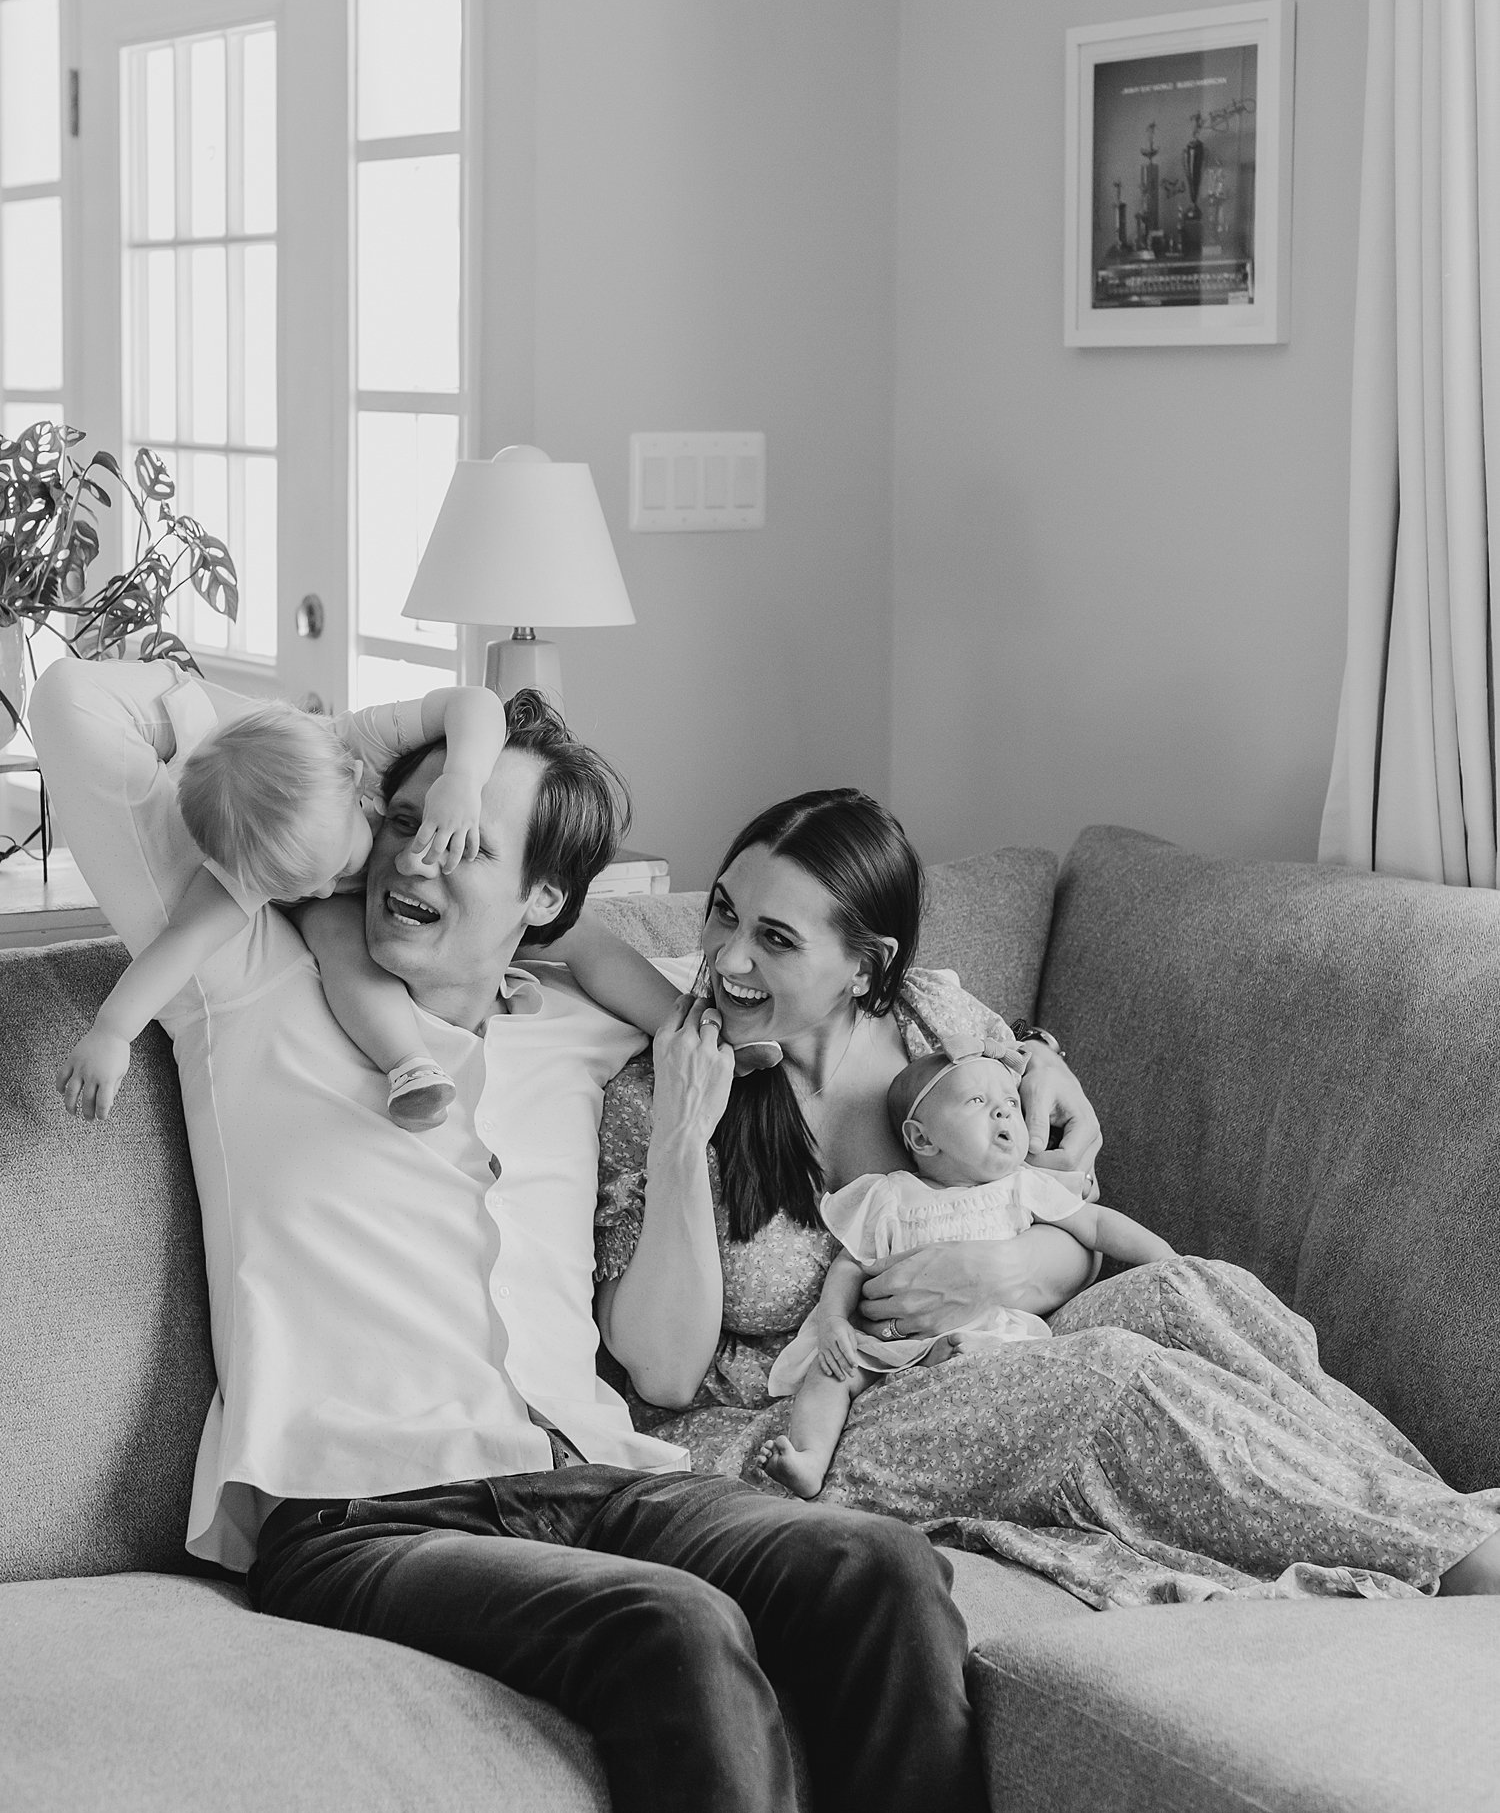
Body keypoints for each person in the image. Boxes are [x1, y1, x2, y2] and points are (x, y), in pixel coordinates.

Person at [32, 659, 1003, 1813]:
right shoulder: (244, 976)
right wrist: (381, 761)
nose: (417, 856)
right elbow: (76, 707)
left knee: (876, 1564)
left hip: (591, 1478)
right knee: (675, 1626)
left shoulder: (589, 1021)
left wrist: (1029, 1087)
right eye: (404, 821)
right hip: (363, 1513)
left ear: (547, 902)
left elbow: (800, 991)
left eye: (470, 844)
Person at [595, 786, 1500, 1606]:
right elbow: (664, 1377)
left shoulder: (939, 1029)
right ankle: (1449, 1563)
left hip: (980, 1345)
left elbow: (1069, 1218)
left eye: (776, 938)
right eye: (724, 913)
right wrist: (683, 1128)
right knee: (1104, 1379)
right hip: (797, 1425)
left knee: (1191, 1292)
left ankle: (1437, 1514)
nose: (726, 956)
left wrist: (1007, 1267)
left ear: (867, 969)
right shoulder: (665, 1084)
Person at [57, 684, 507, 1128]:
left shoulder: (361, 743)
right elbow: (182, 942)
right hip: (351, 936)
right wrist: (112, 1032)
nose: (331, 889)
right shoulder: (254, 857)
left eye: (336, 869)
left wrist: (462, 778)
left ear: (353, 781)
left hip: (423, 882)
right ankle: (410, 1064)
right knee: (334, 930)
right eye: (302, 888)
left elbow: (475, 702)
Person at [759, 1049, 1173, 1498]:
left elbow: (1095, 1224)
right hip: (892, 1346)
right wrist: (834, 1322)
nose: (1003, 1110)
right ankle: (808, 1458)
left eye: (1011, 1103)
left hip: (992, 1336)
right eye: (977, 1101)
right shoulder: (892, 1195)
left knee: (1013, 1356)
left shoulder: (1020, 1186)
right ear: (922, 1139)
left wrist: (1165, 1259)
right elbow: (851, 1264)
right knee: (831, 1373)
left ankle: (965, 1369)